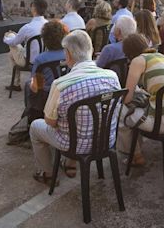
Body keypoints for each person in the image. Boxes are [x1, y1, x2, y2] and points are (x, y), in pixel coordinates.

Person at [29, 30, 121, 184]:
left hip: (73, 145)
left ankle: (48, 173)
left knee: (35, 127)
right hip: (106, 140)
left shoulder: (60, 85)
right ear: (91, 50)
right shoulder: (112, 76)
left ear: (68, 55)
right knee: (79, 121)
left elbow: (50, 122)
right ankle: (70, 164)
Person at [117, 34, 164, 165]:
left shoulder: (138, 61)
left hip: (161, 122)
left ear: (129, 53)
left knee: (119, 110)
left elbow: (127, 98)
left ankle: (135, 155)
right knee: (135, 106)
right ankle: (135, 148)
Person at [25, 20, 69, 121]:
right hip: (66, 93)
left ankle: (30, 116)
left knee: (28, 85)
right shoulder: (69, 55)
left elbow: (36, 86)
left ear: (44, 39)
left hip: (46, 96)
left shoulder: (40, 59)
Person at [3, 0, 49, 91]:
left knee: (10, 38)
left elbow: (14, 43)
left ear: (33, 9)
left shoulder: (27, 27)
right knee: (11, 54)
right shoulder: (48, 25)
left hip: (28, 61)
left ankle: (16, 83)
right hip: (44, 59)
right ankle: (15, 83)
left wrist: (5, 38)